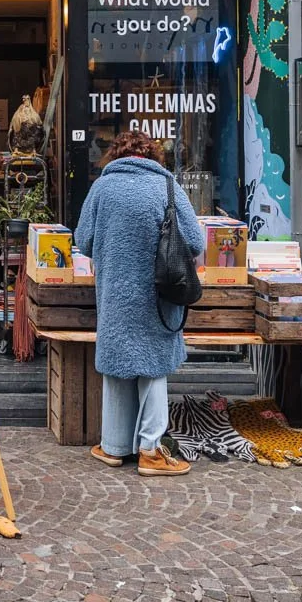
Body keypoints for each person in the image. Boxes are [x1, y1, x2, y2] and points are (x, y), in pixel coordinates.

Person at [73, 131, 204, 476]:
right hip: (157, 293)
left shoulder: (102, 187)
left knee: (117, 366)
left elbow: (83, 240)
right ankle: (150, 450)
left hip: (115, 293)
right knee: (153, 367)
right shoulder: (166, 186)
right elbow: (194, 240)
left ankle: (113, 447)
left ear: (115, 155)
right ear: (154, 156)